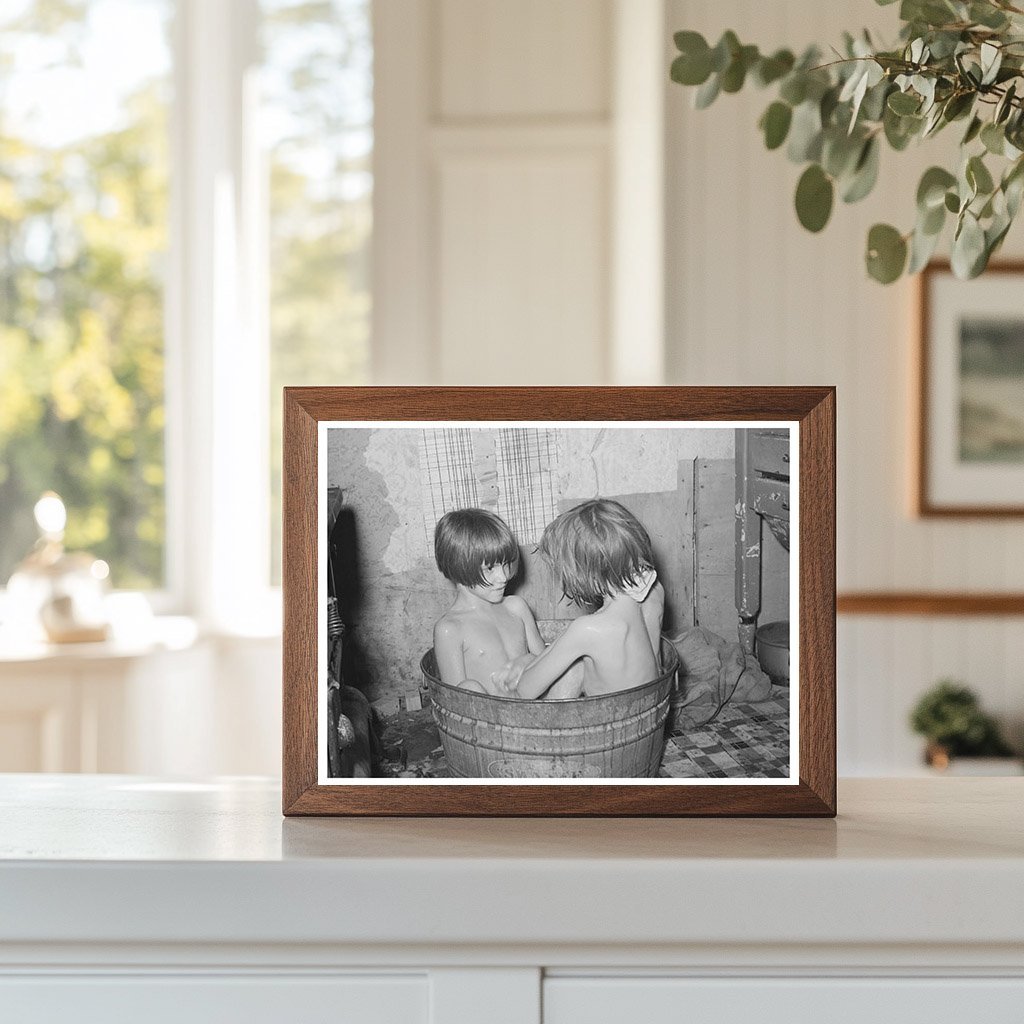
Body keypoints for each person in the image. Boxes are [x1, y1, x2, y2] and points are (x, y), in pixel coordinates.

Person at [497, 499, 665, 700]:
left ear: (586, 576)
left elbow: (526, 690)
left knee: (573, 667)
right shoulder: (653, 593)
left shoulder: (587, 629)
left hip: (607, 716)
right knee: (576, 660)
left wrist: (527, 661)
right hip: (650, 708)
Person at [431, 508, 547, 696]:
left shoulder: (516, 607)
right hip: (488, 712)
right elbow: (456, 701)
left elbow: (548, 664)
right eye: (490, 568)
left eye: (506, 564)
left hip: (533, 704)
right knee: (469, 688)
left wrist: (527, 661)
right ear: (458, 566)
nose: (503, 577)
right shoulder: (450, 629)